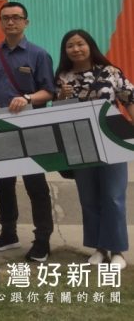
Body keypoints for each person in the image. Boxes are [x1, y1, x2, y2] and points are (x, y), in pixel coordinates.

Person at [0, 2, 55, 262]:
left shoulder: (39, 54)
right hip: (0, 128)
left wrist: (27, 98)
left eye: (16, 17)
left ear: (26, 22)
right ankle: (8, 233)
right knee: (3, 185)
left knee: (36, 185)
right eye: (5, 18)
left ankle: (42, 240)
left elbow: (49, 91)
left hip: (31, 127)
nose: (11, 22)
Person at [55, 29, 134, 268]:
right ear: (65, 51)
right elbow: (57, 111)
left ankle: (117, 251)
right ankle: (100, 248)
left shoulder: (110, 72)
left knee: (113, 196)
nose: (76, 49)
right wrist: (61, 96)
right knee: (89, 198)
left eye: (80, 44)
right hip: (80, 143)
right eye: (70, 45)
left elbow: (129, 99)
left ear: (90, 46)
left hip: (111, 140)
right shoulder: (63, 76)